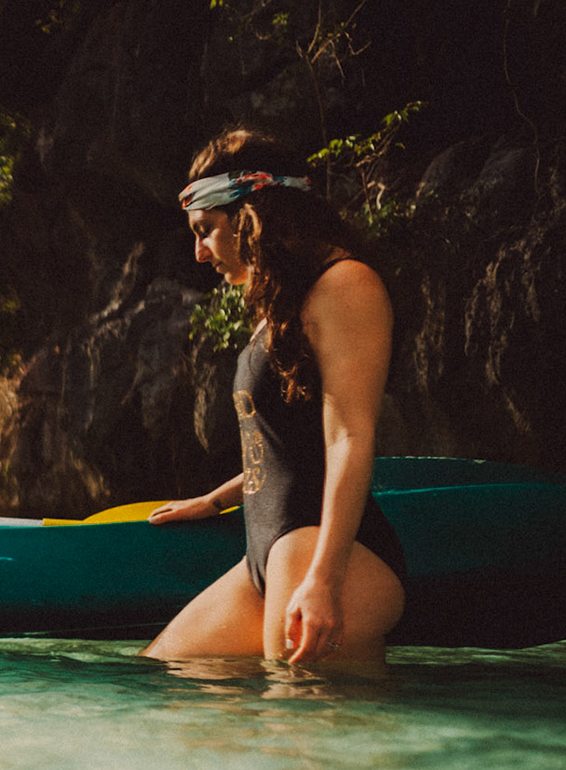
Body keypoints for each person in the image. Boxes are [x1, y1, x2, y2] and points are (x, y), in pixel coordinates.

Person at [142, 130, 406, 665]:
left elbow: (349, 435)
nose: (198, 252)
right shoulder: (286, 303)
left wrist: (324, 580)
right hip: (268, 552)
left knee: (303, 727)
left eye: (206, 230)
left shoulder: (346, 284)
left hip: (322, 551)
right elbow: (291, 441)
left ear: (251, 212)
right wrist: (216, 499)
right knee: (170, 680)